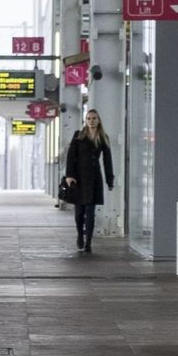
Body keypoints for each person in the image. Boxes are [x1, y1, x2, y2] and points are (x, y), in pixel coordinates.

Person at [63, 108, 114, 252]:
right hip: (78, 178)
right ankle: (80, 234)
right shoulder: (78, 136)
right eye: (89, 118)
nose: (91, 121)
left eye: (94, 118)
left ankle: (89, 242)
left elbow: (107, 161)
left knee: (91, 211)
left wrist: (110, 180)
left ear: (98, 121)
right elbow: (71, 157)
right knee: (79, 212)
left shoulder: (103, 137)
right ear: (85, 121)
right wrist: (69, 176)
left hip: (94, 178)